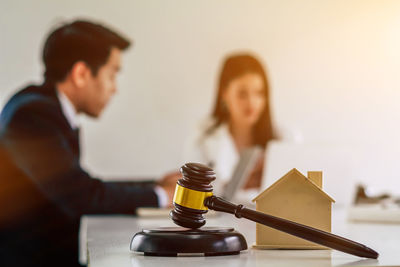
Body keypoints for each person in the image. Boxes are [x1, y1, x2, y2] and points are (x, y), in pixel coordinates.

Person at [0, 20, 176, 267]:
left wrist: (154, 185)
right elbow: (81, 195)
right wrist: (162, 196)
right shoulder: (31, 115)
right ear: (82, 74)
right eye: (112, 74)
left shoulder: (45, 108)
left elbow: (79, 185)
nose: (114, 89)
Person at [184, 53, 276, 195]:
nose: (252, 102)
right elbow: (188, 192)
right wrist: (232, 187)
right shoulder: (202, 137)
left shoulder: (283, 139)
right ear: (224, 94)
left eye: (259, 93)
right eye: (242, 94)